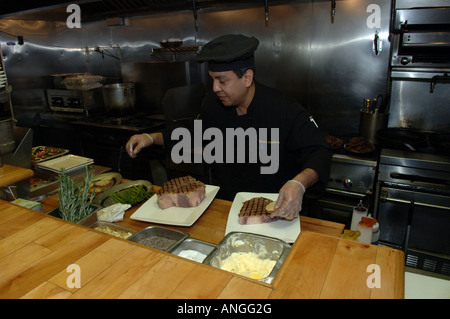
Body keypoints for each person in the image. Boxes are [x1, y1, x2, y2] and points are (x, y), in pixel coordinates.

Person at [126, 34, 332, 220]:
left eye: (222, 81)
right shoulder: (214, 106)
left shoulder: (283, 109)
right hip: (227, 209)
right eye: (213, 80)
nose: (215, 88)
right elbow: (191, 134)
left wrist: (299, 184)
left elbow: (319, 152)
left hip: (276, 214)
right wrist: (150, 138)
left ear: (247, 78)